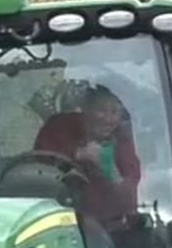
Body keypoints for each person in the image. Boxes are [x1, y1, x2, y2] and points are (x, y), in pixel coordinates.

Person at [33, 83, 141, 233]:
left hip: (107, 230)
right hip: (52, 219)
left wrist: (110, 171)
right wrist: (78, 154)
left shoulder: (122, 141)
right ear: (86, 108)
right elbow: (37, 162)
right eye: (102, 110)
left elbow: (131, 200)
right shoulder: (59, 127)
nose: (108, 119)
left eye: (115, 112)